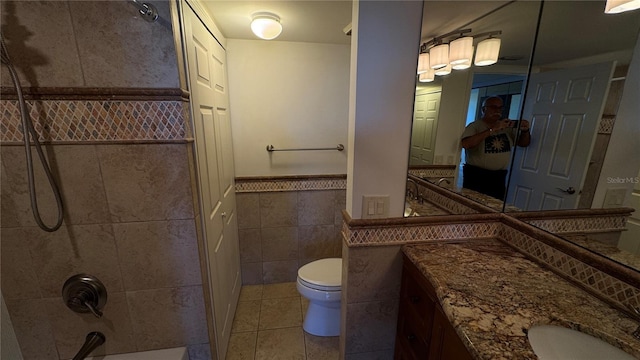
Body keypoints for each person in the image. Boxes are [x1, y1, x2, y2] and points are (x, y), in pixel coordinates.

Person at [460, 96, 531, 200]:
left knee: (495, 206)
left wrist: (525, 131)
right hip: (477, 175)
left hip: (499, 176)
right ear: (484, 109)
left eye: (500, 108)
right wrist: (493, 129)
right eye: (493, 107)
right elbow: (466, 144)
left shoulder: (507, 128)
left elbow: (523, 144)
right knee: (473, 205)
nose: (497, 111)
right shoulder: (475, 126)